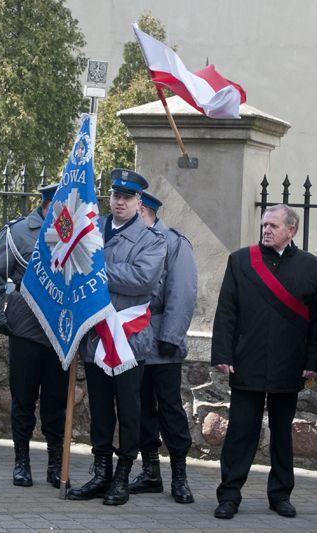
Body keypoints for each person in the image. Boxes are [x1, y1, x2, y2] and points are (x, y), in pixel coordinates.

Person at [211, 204, 317, 520]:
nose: (266, 230)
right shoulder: (240, 261)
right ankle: (229, 495)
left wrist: (314, 360)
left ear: (291, 230)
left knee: (282, 433)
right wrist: (222, 354)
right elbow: (226, 311)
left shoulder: (311, 266)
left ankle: (280, 495)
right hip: (247, 361)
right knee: (240, 432)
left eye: (274, 225)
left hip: (289, 364)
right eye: (264, 225)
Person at [67, 169, 166, 506]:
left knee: (129, 411)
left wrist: (97, 270)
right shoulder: (93, 229)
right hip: (96, 336)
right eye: (116, 195)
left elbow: (141, 279)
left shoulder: (152, 239)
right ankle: (100, 472)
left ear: (140, 203)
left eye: (127, 197)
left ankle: (123, 474)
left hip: (127, 338)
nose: (120, 202)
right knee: (99, 410)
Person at [0, 183, 69, 488]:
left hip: (60, 331)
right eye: (54, 207)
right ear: (44, 204)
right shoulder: (18, 232)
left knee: (56, 403)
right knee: (23, 399)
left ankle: (56, 464)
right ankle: (22, 462)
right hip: (26, 328)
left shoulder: (75, 234)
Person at [129, 191, 197, 504]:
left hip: (160, 339)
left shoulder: (173, 242)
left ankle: (179, 475)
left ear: (144, 209)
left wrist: (170, 336)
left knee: (169, 408)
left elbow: (182, 291)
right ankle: (150, 471)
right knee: (139, 407)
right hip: (131, 339)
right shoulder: (125, 238)